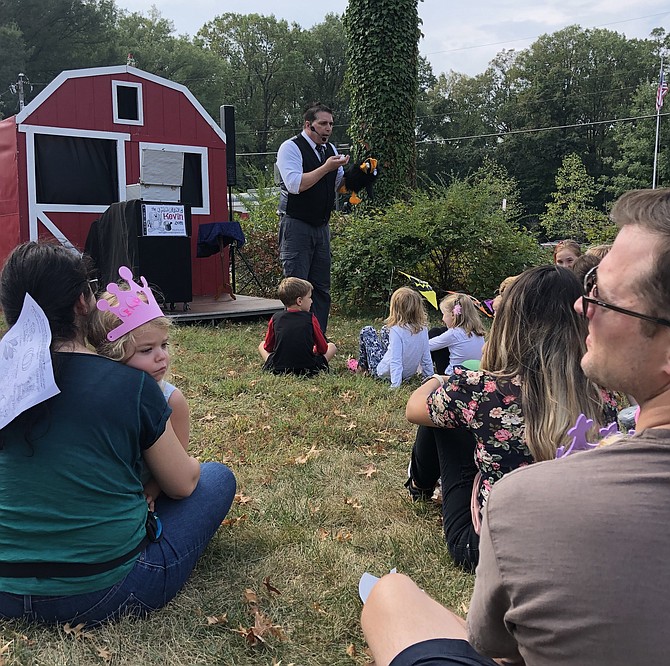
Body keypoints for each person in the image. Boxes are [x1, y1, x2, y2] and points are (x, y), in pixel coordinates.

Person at [361, 188, 670, 666]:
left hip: (483, 539)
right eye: (586, 290)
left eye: (603, 298)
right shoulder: (610, 396)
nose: (582, 308)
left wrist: (453, 380)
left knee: (445, 418)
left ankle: (419, 484)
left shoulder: (496, 420)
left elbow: (493, 644)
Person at [0, 243, 236, 626]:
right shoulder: (130, 385)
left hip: (4, 588)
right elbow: (182, 486)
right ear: (82, 302)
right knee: (215, 477)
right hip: (104, 590)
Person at [404, 266, 618, 571]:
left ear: (510, 322)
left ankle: (419, 485)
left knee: (443, 419)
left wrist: (439, 379)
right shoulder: (603, 389)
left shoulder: (480, 388)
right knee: (458, 414)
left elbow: (414, 409)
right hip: (574, 540)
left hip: (487, 546)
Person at [88, 274, 190, 508]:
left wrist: (151, 492)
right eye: (146, 350)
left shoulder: (172, 401)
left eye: (164, 345)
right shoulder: (97, 400)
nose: (161, 357)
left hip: (154, 496)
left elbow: (180, 465)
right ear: (112, 354)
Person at [275, 102, 350, 335]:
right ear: (308, 125)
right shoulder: (290, 148)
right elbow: (295, 184)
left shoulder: (330, 150)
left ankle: (318, 337)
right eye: (323, 124)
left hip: (321, 226)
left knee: (321, 288)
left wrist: (362, 176)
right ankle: (295, 338)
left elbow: (339, 186)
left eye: (331, 124)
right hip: (296, 225)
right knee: (296, 288)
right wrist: (326, 168)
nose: (328, 129)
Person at [259, 277, 336, 376]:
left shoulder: (275, 318)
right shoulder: (311, 318)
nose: (311, 301)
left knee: (261, 345)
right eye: (309, 297)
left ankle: (274, 364)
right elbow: (323, 348)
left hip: (279, 368)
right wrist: (314, 350)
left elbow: (268, 347)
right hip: (309, 368)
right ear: (299, 301)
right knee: (332, 346)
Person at [358, 287, 434, 389]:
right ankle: (366, 365)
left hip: (385, 374)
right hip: (407, 374)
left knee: (367, 331)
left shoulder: (397, 330)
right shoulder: (423, 329)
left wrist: (395, 386)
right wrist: (430, 378)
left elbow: (396, 361)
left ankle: (362, 367)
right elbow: (426, 357)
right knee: (385, 329)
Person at [428, 294, 486, 376]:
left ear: (452, 314)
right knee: (442, 331)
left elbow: (427, 346)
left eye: (443, 314)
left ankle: (426, 372)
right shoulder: (478, 332)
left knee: (434, 332)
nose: (442, 318)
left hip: (454, 376)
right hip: (474, 374)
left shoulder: (454, 333)